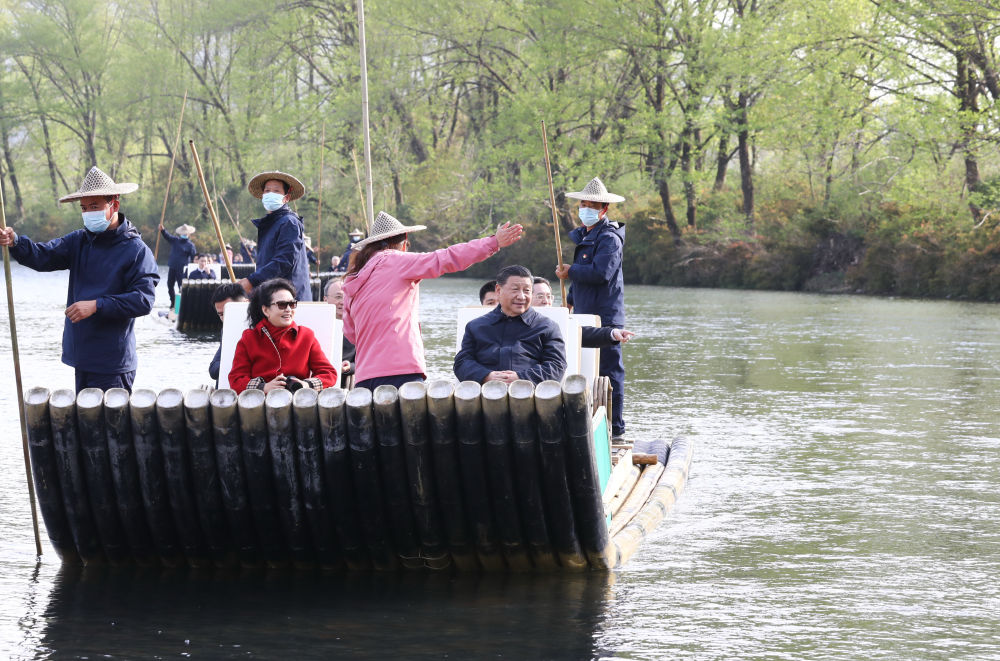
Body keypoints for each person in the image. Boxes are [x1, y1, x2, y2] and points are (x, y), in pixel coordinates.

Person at [0, 166, 159, 392]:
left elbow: (143, 300)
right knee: (86, 424)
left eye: (94, 206)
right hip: (82, 357)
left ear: (114, 204)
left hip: (113, 363)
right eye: (84, 208)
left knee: (111, 427)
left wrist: (97, 305)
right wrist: (15, 241)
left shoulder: (137, 251)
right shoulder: (79, 241)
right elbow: (42, 255)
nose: (88, 213)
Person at [343, 211, 523, 390]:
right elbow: (446, 258)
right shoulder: (396, 260)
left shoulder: (353, 278)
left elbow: (351, 333)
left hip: (364, 374)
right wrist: (493, 242)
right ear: (404, 242)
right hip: (400, 369)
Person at [555, 176, 628, 440]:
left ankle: (616, 428)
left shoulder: (609, 239)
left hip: (606, 316)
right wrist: (571, 297)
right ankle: (589, 424)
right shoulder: (585, 237)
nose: (585, 208)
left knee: (610, 373)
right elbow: (583, 279)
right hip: (584, 314)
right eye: (583, 203)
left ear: (603, 209)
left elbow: (601, 274)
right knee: (585, 369)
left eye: (591, 205)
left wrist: (570, 270)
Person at [455, 266, 566, 385]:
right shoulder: (476, 326)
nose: (521, 296)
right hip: (484, 394)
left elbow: (557, 366)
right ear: (498, 290)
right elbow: (462, 363)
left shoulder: (547, 327)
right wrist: (486, 376)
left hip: (531, 396)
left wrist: (521, 377)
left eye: (527, 290)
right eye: (515, 289)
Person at [228, 278, 338, 393]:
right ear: (266, 310)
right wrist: (263, 387)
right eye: (282, 305)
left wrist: (306, 384)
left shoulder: (307, 336)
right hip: (259, 405)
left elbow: (329, 373)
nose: (289, 309)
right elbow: (236, 379)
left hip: (299, 403)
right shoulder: (249, 338)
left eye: (292, 304)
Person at [237, 171, 312, 301]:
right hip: (273, 296)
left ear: (286, 197)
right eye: (267, 191)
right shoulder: (271, 223)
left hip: (290, 298)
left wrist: (252, 281)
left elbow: (284, 261)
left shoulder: (289, 222)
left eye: (276, 191)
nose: (270, 194)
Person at [532, 276, 635, 347]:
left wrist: (613, 333)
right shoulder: (518, 321)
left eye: (549, 297)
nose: (546, 301)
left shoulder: (558, 322)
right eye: (540, 297)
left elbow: (585, 334)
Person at [208, 282, 247, 385]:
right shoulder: (226, 330)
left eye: (228, 312)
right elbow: (213, 369)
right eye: (220, 314)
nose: (225, 319)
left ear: (246, 303)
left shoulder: (262, 329)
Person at [323, 277, 356, 387]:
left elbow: (368, 360)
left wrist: (350, 367)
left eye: (346, 297)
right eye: (338, 297)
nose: (342, 302)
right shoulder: (317, 325)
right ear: (325, 299)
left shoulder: (359, 326)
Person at [159, 222, 196, 310]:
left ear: (188, 234)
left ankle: (181, 305)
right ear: (181, 233)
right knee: (169, 285)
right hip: (172, 267)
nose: (184, 234)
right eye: (183, 233)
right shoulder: (175, 240)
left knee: (181, 288)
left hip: (182, 269)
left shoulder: (191, 245)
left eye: (186, 233)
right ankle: (173, 302)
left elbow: (194, 258)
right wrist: (162, 230)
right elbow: (167, 236)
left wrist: (192, 268)